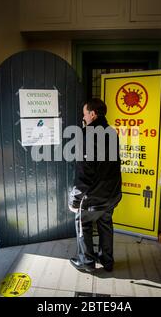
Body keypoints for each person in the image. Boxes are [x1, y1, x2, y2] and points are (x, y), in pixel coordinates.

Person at [68, 98, 122, 273]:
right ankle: (107, 261)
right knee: (105, 223)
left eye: (84, 114)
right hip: (111, 193)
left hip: (93, 195)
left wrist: (75, 199)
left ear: (92, 114)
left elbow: (84, 172)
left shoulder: (86, 135)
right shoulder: (112, 132)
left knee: (83, 223)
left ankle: (86, 262)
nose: (83, 118)